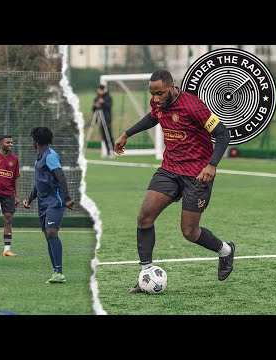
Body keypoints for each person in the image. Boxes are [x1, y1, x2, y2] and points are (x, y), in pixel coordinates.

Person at [113, 69, 234, 294]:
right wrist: (127, 134)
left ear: (171, 87)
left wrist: (212, 164)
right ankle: (145, 275)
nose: (156, 99)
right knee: (144, 217)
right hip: (169, 170)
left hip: (197, 174)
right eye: (152, 94)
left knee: (189, 232)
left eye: (159, 93)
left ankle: (225, 250)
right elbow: (153, 117)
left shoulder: (193, 106)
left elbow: (223, 134)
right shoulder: (158, 104)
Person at [23, 127, 74, 284]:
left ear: (36, 140)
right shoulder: (39, 157)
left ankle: (59, 273)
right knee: (48, 235)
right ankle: (55, 272)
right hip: (42, 204)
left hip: (55, 201)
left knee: (52, 232)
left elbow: (60, 176)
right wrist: (30, 198)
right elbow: (39, 182)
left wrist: (66, 198)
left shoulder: (50, 156)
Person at [92, 84, 113, 158]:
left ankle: (112, 151)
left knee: (108, 136)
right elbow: (93, 109)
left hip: (107, 119)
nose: (99, 91)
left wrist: (103, 102)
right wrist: (95, 105)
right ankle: (107, 152)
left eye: (100, 90)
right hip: (100, 120)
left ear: (103, 90)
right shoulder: (96, 98)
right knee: (103, 136)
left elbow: (109, 106)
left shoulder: (108, 97)